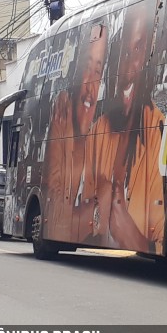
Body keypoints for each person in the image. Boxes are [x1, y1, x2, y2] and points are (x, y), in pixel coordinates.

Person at [81, 0, 166, 254]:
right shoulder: (99, 131)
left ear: (150, 54)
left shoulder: (157, 130)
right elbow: (86, 226)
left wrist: (127, 231)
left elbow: (161, 239)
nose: (129, 67)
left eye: (138, 50)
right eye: (124, 54)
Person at [42, 23, 109, 243]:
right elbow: (56, 203)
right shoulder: (61, 118)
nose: (90, 83)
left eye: (97, 71)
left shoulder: (102, 132)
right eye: (87, 69)